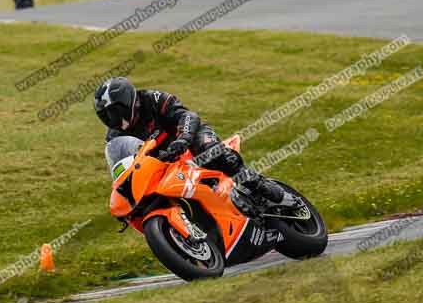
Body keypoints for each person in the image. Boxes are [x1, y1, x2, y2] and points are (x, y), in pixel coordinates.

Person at [94, 77, 297, 215]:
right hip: (165, 164)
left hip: (191, 139)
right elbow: (122, 165)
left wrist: (183, 139)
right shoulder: (115, 136)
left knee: (211, 152)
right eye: (106, 116)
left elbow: (188, 115)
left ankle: (261, 186)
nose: (113, 119)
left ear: (127, 101)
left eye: (114, 112)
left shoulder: (152, 99)